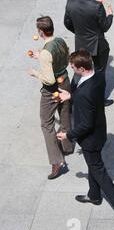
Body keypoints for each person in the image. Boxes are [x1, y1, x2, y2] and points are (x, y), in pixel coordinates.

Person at [56, 50, 114, 223]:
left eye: (73, 67)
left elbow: (85, 125)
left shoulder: (84, 94)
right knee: (93, 165)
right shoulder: (98, 76)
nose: (71, 69)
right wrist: (71, 96)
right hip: (100, 131)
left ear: (82, 68)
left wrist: (68, 134)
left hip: (90, 139)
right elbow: (88, 99)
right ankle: (94, 195)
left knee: (100, 172)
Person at [28, 16, 74, 179]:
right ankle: (67, 146)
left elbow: (49, 79)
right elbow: (65, 57)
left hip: (52, 90)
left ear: (40, 32)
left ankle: (56, 161)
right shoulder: (60, 40)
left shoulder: (46, 53)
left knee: (46, 123)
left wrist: (35, 73)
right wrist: (41, 56)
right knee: (64, 115)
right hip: (65, 81)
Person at [64, 0, 114, 106]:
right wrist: (110, 15)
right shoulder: (96, 6)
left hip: (81, 43)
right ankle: (99, 99)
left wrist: (79, 32)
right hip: (97, 45)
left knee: (79, 71)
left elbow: (67, 23)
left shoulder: (70, 2)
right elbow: (105, 26)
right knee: (99, 72)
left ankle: (72, 98)